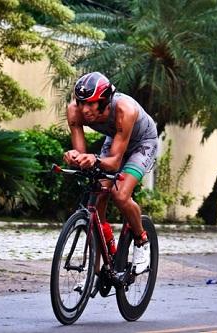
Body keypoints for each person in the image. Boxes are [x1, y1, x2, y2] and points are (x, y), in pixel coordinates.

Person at [63, 72, 158, 274]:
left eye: (91, 103)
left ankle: (142, 240)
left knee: (120, 194)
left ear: (105, 100)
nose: (85, 109)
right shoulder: (74, 111)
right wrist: (75, 156)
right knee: (97, 196)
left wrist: (95, 159)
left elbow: (114, 162)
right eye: (81, 103)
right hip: (115, 140)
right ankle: (93, 273)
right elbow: (82, 156)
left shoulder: (125, 109)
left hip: (142, 144)